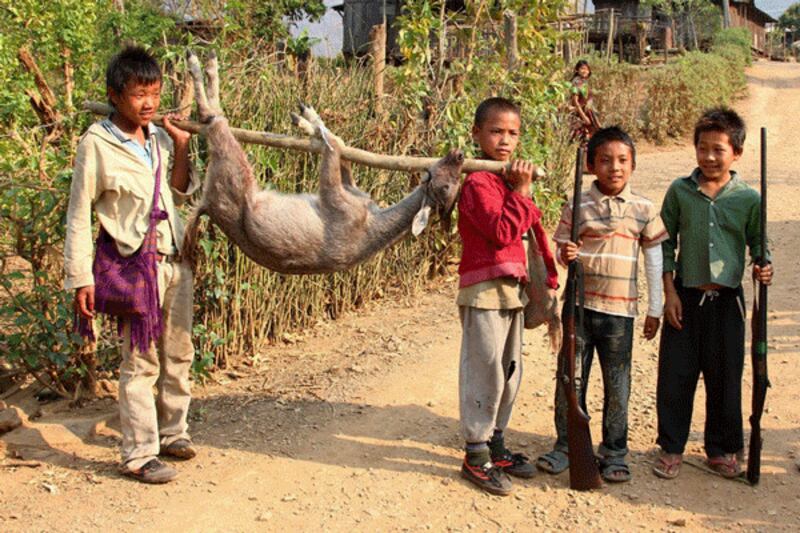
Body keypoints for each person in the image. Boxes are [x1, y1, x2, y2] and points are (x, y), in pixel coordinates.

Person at [64, 46, 199, 484]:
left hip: (174, 259)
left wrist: (180, 148)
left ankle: (174, 432)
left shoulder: (158, 138)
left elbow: (178, 193)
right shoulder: (97, 143)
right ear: (115, 95)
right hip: (133, 266)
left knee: (178, 353)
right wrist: (80, 277)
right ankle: (139, 453)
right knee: (140, 361)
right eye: (140, 94)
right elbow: (78, 214)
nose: (149, 103)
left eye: (155, 93)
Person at [536, 126, 668, 483]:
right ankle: (565, 446)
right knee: (570, 379)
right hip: (578, 309)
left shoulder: (643, 208)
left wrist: (655, 308)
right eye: (605, 160)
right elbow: (561, 249)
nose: (615, 167)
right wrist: (567, 253)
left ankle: (614, 451)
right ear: (591, 165)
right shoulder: (577, 205)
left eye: (623, 160)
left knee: (618, 383)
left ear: (634, 165)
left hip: (620, 313)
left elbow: (654, 259)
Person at [652, 107, 773, 480]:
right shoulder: (680, 191)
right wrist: (668, 292)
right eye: (702, 148)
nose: (708, 157)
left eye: (718, 150)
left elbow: (759, 245)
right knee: (676, 375)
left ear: (736, 153)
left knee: (725, 376)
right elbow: (663, 243)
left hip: (727, 302)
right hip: (685, 299)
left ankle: (720, 449)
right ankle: (671, 447)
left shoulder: (748, 199)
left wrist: (762, 266)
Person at [456, 97, 559, 496]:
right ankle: (476, 453)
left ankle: (496, 442)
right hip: (484, 291)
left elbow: (529, 223)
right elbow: (501, 231)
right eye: (496, 131)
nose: (504, 140)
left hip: (512, 291)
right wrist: (523, 191)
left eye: (512, 133)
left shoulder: (504, 179)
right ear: (477, 134)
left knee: (509, 371)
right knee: (484, 370)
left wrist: (519, 191)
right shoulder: (479, 182)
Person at [569, 60, 600, 146]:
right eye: (582, 68)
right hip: (579, 113)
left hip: (586, 111)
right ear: (577, 70)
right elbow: (575, 101)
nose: (585, 71)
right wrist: (583, 116)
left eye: (587, 69)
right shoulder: (576, 82)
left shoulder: (584, 82)